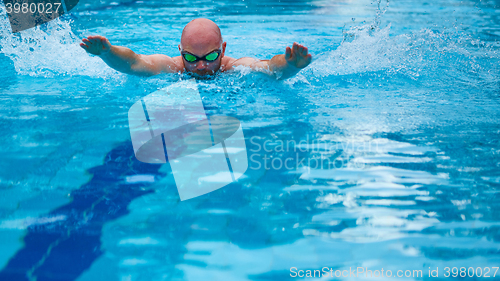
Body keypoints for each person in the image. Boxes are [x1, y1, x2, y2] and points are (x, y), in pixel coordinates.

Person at [80, 18, 312, 79]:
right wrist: (108, 53)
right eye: (191, 57)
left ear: (223, 49)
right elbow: (135, 63)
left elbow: (269, 68)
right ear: (180, 50)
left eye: (211, 56)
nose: (201, 65)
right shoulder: (172, 67)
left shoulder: (233, 67)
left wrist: (291, 65)